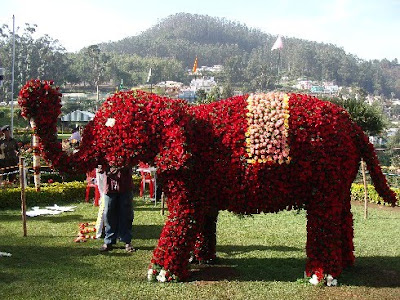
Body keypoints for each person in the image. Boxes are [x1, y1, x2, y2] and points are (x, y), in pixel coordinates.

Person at [97, 164, 135, 253]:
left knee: (126, 213)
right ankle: (109, 241)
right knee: (109, 213)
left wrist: (119, 167)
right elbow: (100, 167)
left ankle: (127, 241)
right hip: (109, 187)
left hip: (125, 185)